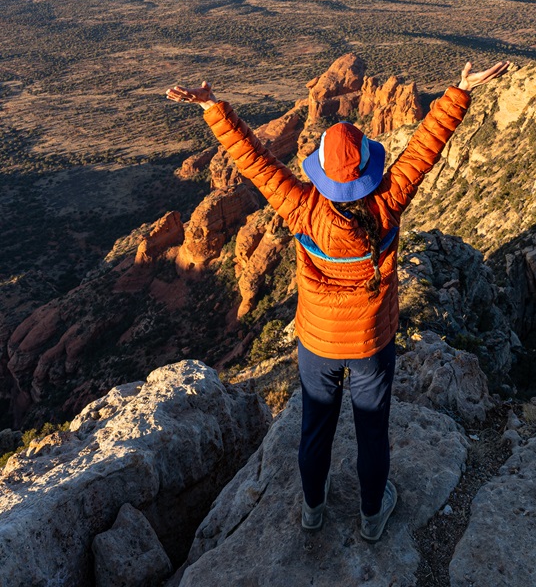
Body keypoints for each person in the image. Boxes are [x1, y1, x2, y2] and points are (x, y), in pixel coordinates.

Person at [166, 58, 508, 541]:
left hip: (318, 344)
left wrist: (213, 109)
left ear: (323, 175)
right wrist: (458, 92)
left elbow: (256, 162)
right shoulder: (388, 202)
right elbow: (424, 149)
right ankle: (372, 516)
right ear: (368, 170)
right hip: (371, 341)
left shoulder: (301, 207)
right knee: (372, 430)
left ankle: (312, 508)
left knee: (315, 427)